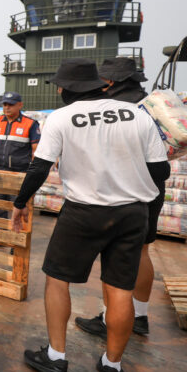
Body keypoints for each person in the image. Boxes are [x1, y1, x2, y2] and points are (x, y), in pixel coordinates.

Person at [11, 59, 169, 372]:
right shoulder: (137, 114)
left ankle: (56, 356)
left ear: (66, 89)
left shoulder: (62, 118)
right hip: (131, 213)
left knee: (57, 280)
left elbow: (39, 168)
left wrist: (20, 202)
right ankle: (112, 366)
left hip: (83, 212)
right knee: (119, 289)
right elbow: (160, 172)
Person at [75, 57, 163, 338]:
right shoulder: (149, 105)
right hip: (153, 187)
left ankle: (109, 318)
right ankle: (140, 316)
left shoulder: (114, 109)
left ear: (110, 82)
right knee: (143, 250)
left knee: (114, 257)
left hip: (121, 190)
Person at [0, 91, 39, 220]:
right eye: (5, 104)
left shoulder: (30, 124)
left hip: (19, 174)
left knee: (19, 208)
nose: (7, 107)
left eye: (11, 105)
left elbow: (36, 150)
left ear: (20, 105)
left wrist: (32, 174)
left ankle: (16, 238)